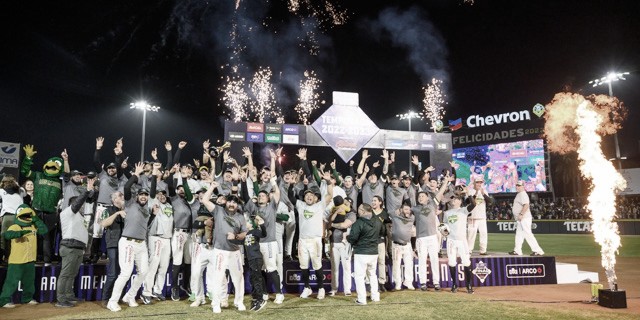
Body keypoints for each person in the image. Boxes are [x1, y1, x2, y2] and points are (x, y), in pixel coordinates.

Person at [106, 162, 155, 312]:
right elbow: (127, 187)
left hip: (141, 244)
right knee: (126, 272)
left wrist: (155, 177)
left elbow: (153, 194)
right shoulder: (129, 202)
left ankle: (129, 296)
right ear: (137, 195)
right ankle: (112, 301)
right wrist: (136, 174)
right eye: (141, 194)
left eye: (145, 195)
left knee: (144, 272)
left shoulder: (148, 208)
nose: (144, 197)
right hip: (127, 242)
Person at [56, 177, 96, 307]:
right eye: (80, 204)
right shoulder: (67, 212)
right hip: (70, 246)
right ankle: (61, 299)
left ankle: (68, 296)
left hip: (78, 247)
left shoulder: (79, 216)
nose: (82, 206)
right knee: (66, 273)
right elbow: (77, 203)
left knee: (72, 274)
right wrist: (86, 191)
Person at [0, 204, 47, 308]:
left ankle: (27, 299)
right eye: (25, 215)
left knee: (29, 282)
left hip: (30, 260)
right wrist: (21, 233)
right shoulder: (15, 226)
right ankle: (3, 301)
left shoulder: (33, 226)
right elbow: (7, 235)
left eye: (29, 215)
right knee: (11, 282)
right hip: (17, 261)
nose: (27, 217)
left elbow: (44, 230)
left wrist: (36, 219)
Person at [413, 175, 451, 291]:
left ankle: (436, 283)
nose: (420, 198)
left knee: (434, 260)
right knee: (422, 261)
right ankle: (423, 283)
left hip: (432, 237)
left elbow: (440, 193)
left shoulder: (432, 205)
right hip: (421, 239)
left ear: (427, 198)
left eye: (422, 196)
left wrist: (445, 182)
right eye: (419, 196)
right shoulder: (415, 208)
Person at [347, 203, 383, 305]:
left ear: (363, 211)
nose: (358, 210)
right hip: (373, 252)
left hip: (361, 252)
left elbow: (353, 238)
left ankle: (362, 299)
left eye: (359, 209)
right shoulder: (378, 221)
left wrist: (347, 238)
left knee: (359, 276)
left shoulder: (358, 223)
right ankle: (375, 296)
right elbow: (382, 232)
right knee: (372, 274)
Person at [442, 194, 476, 294]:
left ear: (460, 201)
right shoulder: (447, 213)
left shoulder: (464, 210)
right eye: (453, 199)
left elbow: (473, 204)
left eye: (456, 199)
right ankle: (454, 284)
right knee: (452, 262)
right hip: (451, 241)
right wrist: (445, 233)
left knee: (466, 262)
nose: (453, 200)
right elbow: (444, 226)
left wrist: (469, 194)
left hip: (462, 241)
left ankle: (469, 285)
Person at [99, 191, 125, 307]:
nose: (123, 197)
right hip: (113, 244)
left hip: (125, 244)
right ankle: (105, 298)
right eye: (120, 196)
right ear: (114, 199)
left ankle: (118, 297)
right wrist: (117, 213)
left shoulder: (127, 210)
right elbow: (104, 223)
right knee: (113, 273)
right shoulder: (107, 210)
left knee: (124, 273)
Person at [328, 196, 356, 296]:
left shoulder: (352, 214)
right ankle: (334, 288)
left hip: (345, 244)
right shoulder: (336, 210)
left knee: (346, 267)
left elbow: (344, 225)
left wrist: (332, 225)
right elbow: (329, 222)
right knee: (334, 267)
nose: (346, 204)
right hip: (334, 242)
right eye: (345, 202)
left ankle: (347, 289)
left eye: (348, 203)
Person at [509, 180, 544, 256]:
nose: (517, 187)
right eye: (517, 185)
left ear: (523, 186)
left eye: (519, 185)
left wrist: (521, 214)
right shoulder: (519, 194)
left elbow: (526, 205)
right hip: (520, 218)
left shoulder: (523, 194)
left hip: (524, 218)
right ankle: (517, 250)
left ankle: (538, 251)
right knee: (519, 235)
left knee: (528, 234)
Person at [242, 214, 268, 311]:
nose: (245, 223)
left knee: (257, 278)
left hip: (256, 258)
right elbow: (240, 243)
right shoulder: (246, 234)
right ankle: (255, 298)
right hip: (251, 259)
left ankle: (261, 299)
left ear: (251, 224)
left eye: (247, 222)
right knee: (253, 278)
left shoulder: (255, 231)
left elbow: (264, 234)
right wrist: (231, 239)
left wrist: (262, 225)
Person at [390, 203, 415, 291]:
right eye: (405, 209)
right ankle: (398, 283)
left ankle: (408, 282)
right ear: (401, 210)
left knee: (409, 264)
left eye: (408, 209)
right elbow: (389, 213)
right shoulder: (395, 217)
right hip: (397, 245)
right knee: (396, 264)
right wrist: (395, 211)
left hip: (407, 245)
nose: (407, 211)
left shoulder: (412, 218)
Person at [466, 176, 493, 255]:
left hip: (482, 217)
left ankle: (483, 250)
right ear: (474, 183)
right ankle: (469, 250)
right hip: (473, 216)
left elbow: (490, 202)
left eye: (480, 182)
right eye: (477, 182)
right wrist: (476, 193)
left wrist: (483, 194)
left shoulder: (484, 191)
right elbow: (468, 202)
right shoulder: (470, 191)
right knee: (471, 234)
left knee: (484, 233)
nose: (479, 184)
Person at [1, 175, 23, 263]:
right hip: (18, 218)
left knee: (4, 238)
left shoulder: (2, 191)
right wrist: (16, 185)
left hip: (7, 217)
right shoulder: (20, 190)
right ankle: (15, 257)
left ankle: (5, 257)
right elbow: (23, 192)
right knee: (16, 238)